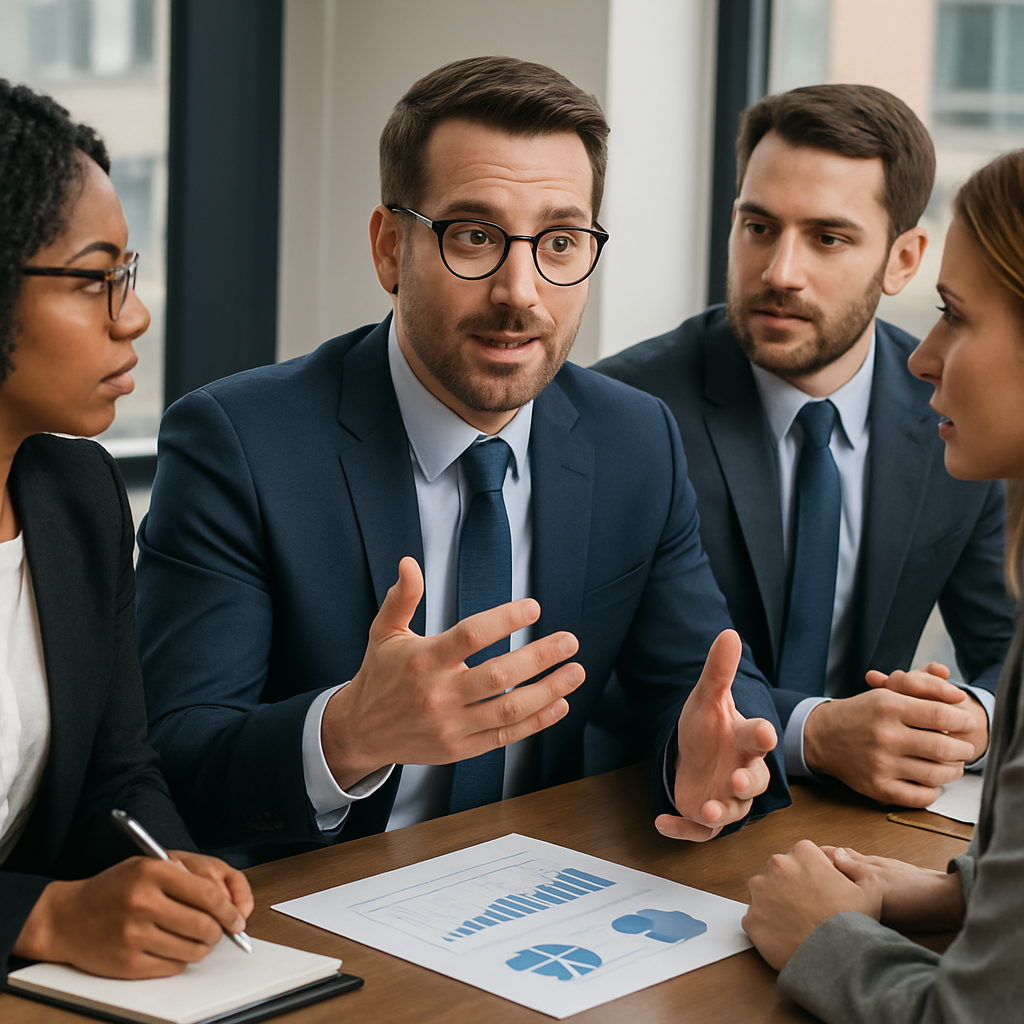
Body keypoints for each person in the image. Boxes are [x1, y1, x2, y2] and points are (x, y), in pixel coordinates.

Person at [134, 56, 789, 866]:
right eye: (473, 236)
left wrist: (709, 758)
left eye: (559, 241)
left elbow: (709, 685)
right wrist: (347, 733)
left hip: (535, 900)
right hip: (309, 911)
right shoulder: (238, 443)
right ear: (388, 249)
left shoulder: (635, 440)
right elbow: (172, 762)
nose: (521, 290)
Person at [595, 84, 1016, 806]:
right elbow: (619, 679)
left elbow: (1005, 644)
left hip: (870, 821)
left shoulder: (960, 411)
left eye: (827, 238)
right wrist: (812, 733)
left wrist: (966, 720)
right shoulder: (625, 412)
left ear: (904, 259)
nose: (779, 271)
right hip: (651, 808)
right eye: (758, 227)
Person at [742, 147, 1024, 1023]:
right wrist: (968, 892)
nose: (923, 358)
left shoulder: (950, 445)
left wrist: (824, 939)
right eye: (756, 227)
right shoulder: (639, 406)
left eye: (955, 316)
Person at [0, 80, 252, 981]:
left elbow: (118, 774)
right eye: (93, 278)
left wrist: (171, 868)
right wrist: (42, 917)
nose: (134, 315)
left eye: (128, 277)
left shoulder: (77, 495)